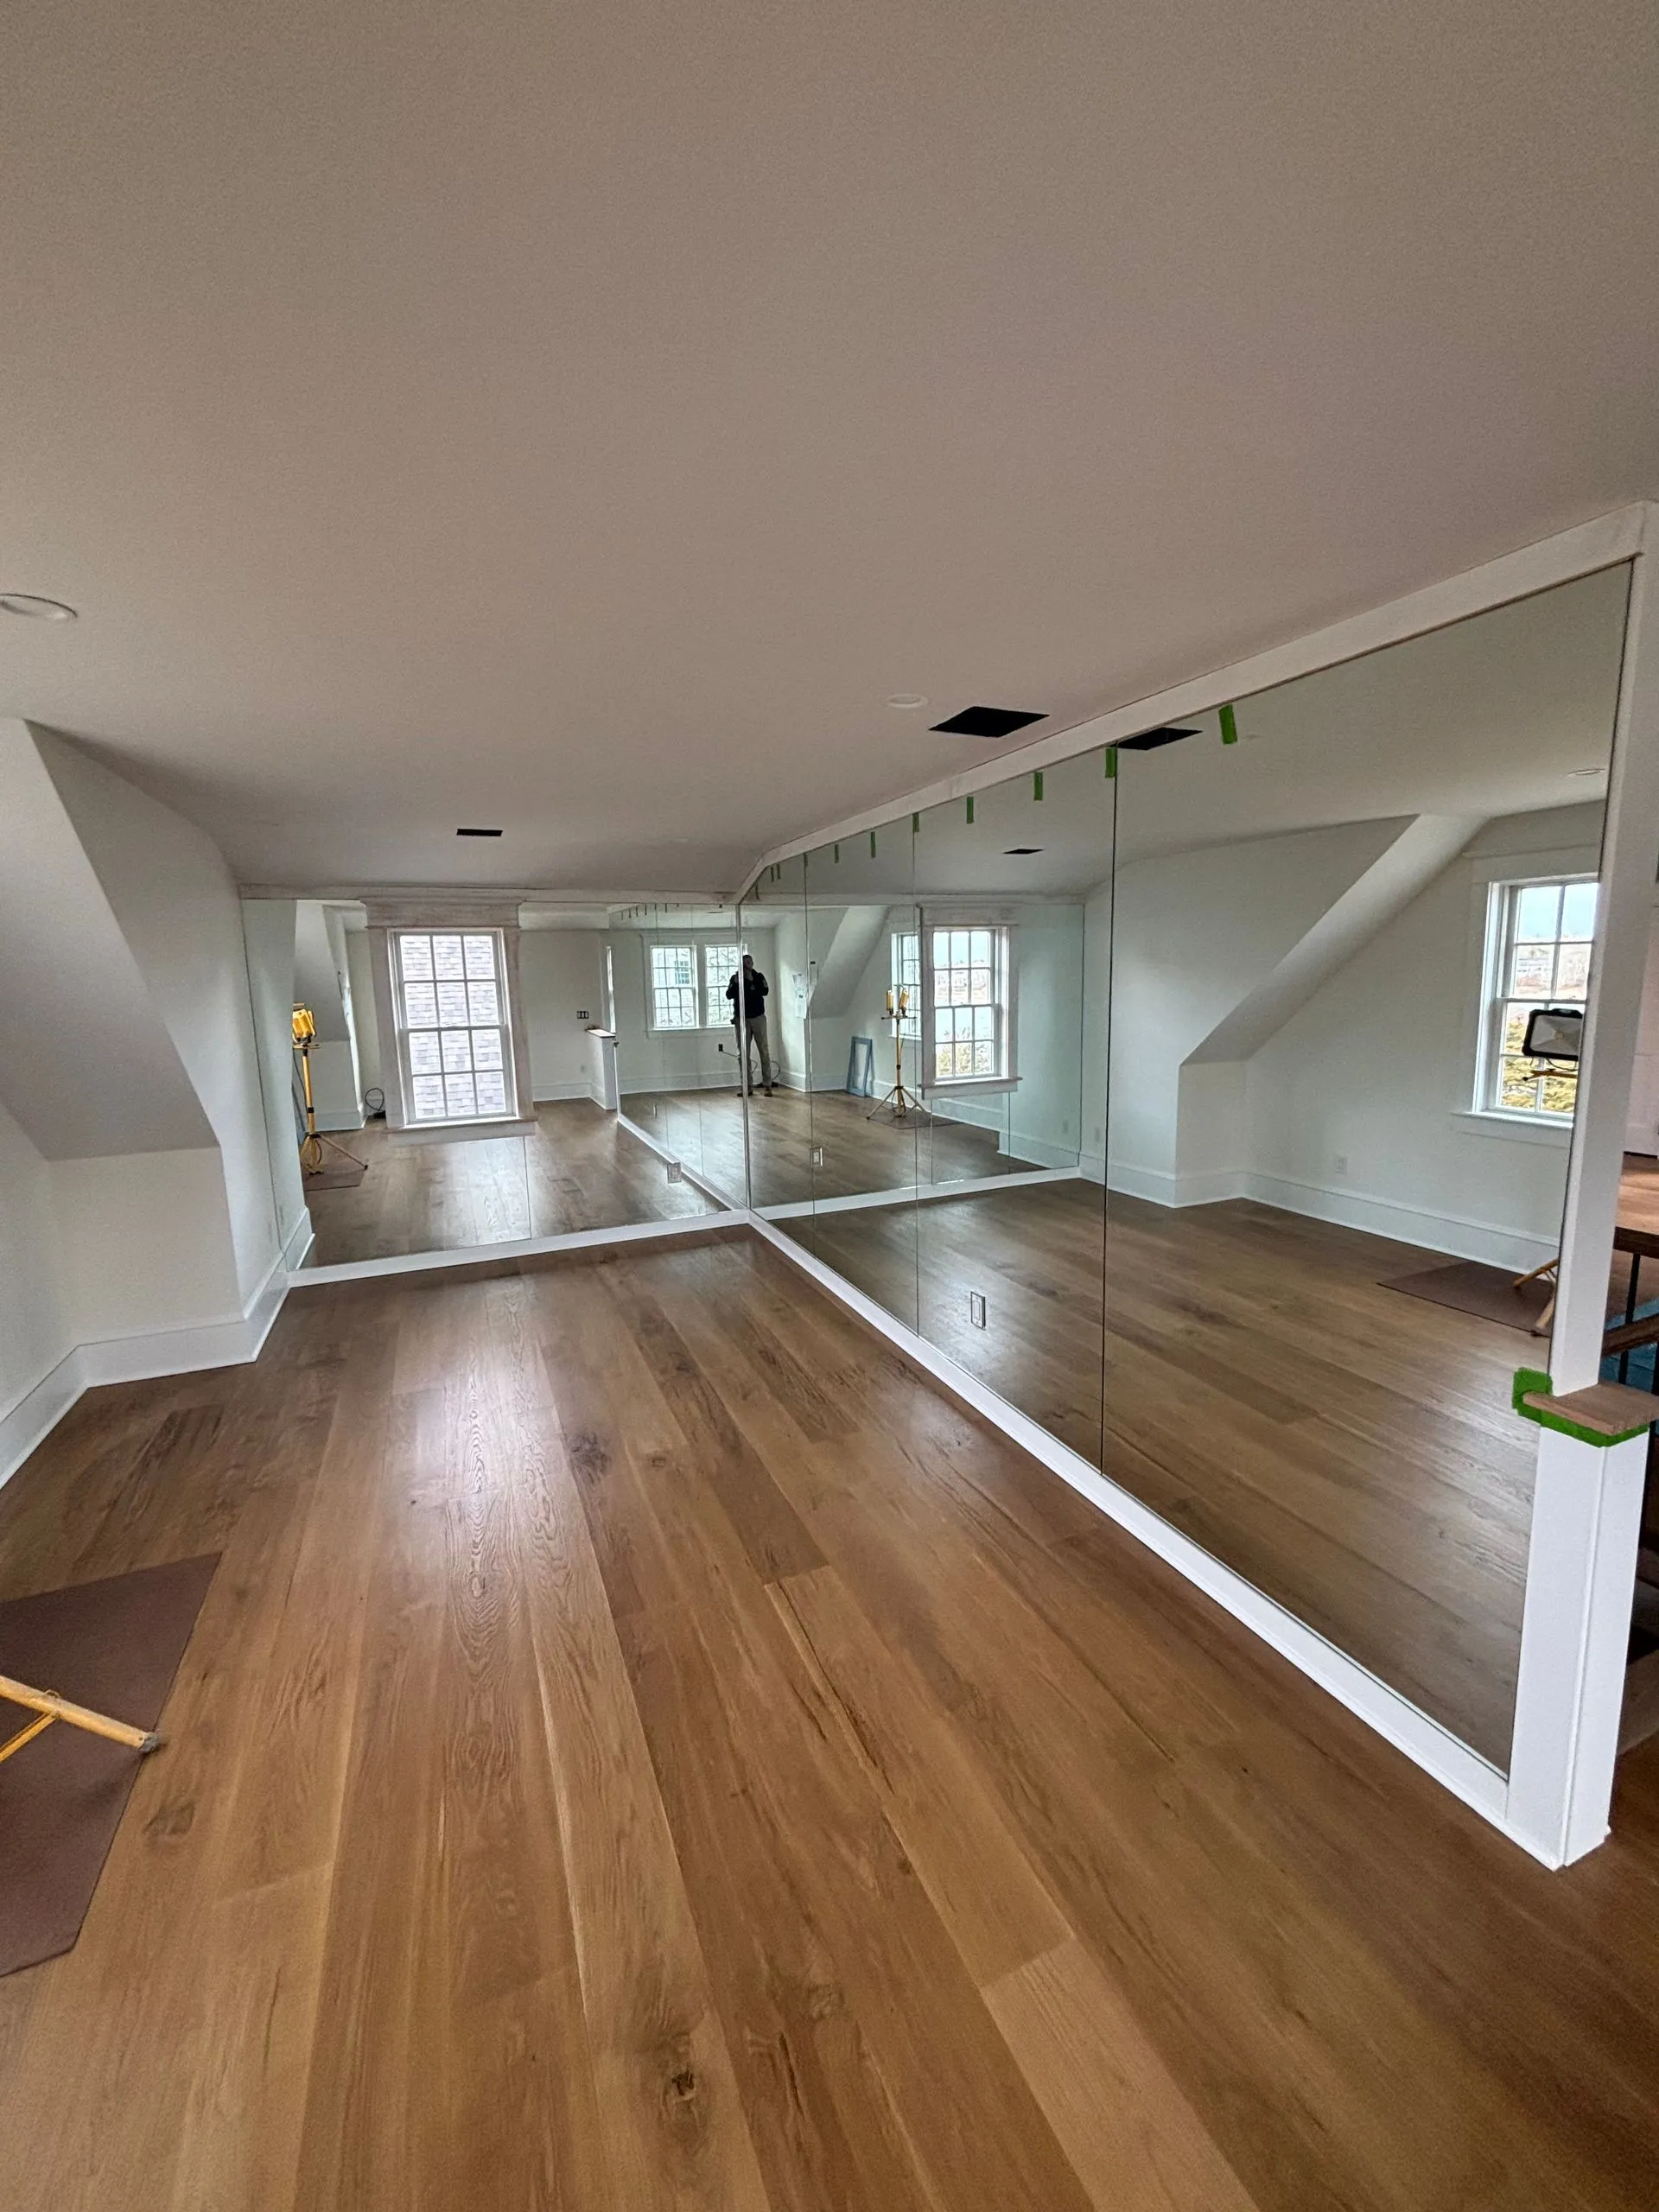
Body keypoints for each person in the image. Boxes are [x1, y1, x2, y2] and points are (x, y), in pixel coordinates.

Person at [726, 952, 772, 1095]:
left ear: (752, 964)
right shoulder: (735, 978)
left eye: (749, 962)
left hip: (758, 1018)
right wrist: (736, 983)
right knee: (743, 1054)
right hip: (742, 1019)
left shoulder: (759, 977)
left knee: (763, 1050)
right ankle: (747, 1086)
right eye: (745, 963)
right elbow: (729, 995)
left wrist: (752, 981)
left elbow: (765, 991)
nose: (747, 965)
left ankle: (767, 1085)